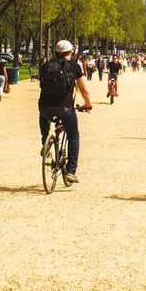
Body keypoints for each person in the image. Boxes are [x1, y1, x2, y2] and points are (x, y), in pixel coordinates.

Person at [38, 40, 93, 184]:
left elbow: (42, 85)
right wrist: (88, 104)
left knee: (44, 115)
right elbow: (83, 89)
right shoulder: (74, 67)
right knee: (74, 136)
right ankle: (71, 171)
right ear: (70, 53)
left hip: (45, 107)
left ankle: (45, 141)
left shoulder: (45, 67)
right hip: (65, 107)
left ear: (55, 53)